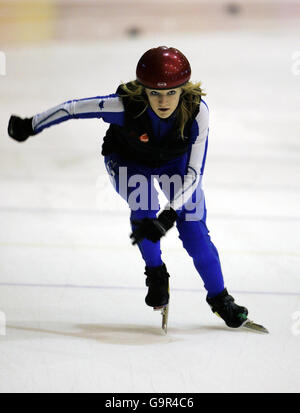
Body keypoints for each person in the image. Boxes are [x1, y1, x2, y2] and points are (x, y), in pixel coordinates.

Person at [8, 46, 249, 329]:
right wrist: (31, 125)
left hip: (174, 164)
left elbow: (195, 172)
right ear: (143, 90)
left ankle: (220, 298)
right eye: (155, 93)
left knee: (194, 229)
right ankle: (156, 272)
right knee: (144, 205)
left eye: (171, 92)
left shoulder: (198, 112)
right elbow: (74, 108)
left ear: (184, 90)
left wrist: (170, 215)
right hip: (128, 160)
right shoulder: (124, 105)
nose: (163, 101)